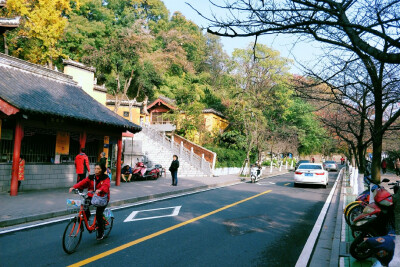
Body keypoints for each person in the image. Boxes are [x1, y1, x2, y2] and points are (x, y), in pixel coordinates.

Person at [69, 163, 110, 240]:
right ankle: (87, 217)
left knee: (99, 215)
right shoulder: (91, 177)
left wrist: (100, 190)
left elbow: (106, 185)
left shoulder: (105, 178)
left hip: (102, 198)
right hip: (92, 196)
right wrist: (74, 187)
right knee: (84, 205)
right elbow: (83, 182)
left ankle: (101, 233)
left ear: (102, 170)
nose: (96, 170)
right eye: (95, 168)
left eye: (98, 168)